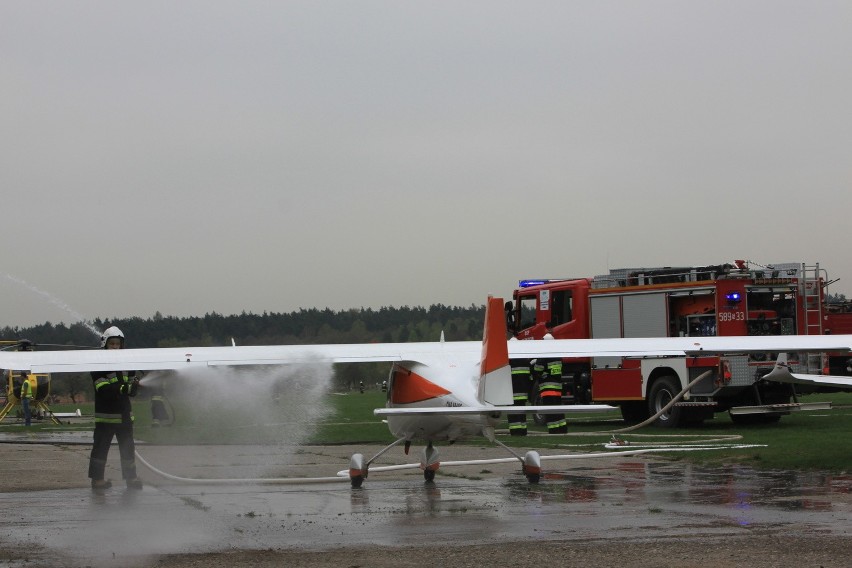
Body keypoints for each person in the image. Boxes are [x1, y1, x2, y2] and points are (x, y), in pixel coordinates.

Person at [88, 326, 143, 493]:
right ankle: (97, 480)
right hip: (106, 417)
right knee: (100, 449)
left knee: (128, 449)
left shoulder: (128, 362)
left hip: (125, 415)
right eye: (111, 343)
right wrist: (123, 389)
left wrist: (135, 387)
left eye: (117, 344)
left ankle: (131, 478)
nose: (114, 347)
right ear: (105, 344)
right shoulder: (98, 364)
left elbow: (132, 382)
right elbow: (102, 388)